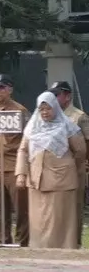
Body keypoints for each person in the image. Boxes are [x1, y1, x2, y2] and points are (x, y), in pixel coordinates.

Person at [17, 91, 86, 249]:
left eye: (48, 108)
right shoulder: (32, 128)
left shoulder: (67, 126)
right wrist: (21, 173)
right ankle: (39, 247)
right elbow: (23, 150)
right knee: (38, 218)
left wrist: (66, 166)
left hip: (61, 181)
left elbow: (80, 152)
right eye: (41, 109)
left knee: (59, 216)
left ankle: (65, 247)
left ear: (55, 108)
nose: (45, 112)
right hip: (36, 180)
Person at [0, 74, 30, 246]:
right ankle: (2, 241)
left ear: (10, 89)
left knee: (20, 208)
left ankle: (23, 242)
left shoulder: (20, 111)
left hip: (14, 166)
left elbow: (28, 139)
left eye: (1, 87)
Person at [50, 81, 89, 243]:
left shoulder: (79, 117)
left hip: (75, 167)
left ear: (67, 96)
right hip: (55, 169)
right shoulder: (50, 115)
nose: (54, 97)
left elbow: (88, 142)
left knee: (74, 206)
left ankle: (74, 242)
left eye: (57, 94)